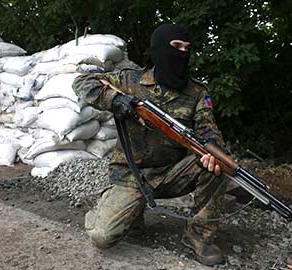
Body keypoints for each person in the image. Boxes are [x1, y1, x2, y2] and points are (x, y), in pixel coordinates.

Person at [72, 23, 233, 266]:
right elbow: (82, 82)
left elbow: (208, 129)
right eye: (176, 47)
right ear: (158, 49)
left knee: (219, 163)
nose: (182, 53)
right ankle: (115, 205)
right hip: (132, 175)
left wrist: (211, 148)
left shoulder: (197, 92)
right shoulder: (130, 80)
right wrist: (116, 100)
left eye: (187, 48)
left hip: (173, 173)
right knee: (102, 237)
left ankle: (199, 236)